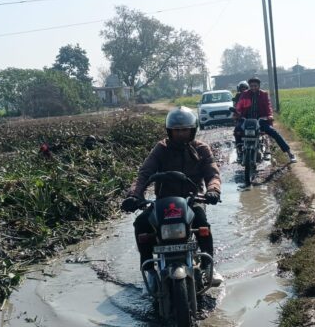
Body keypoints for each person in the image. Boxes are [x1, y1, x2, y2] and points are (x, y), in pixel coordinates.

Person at [121, 106, 224, 288]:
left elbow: (212, 173)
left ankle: (208, 266)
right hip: (164, 202)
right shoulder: (161, 148)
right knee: (141, 224)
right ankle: (149, 270)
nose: (181, 134)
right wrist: (134, 196)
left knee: (202, 223)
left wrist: (213, 190)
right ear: (170, 131)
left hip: (193, 200)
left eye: (185, 130)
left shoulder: (201, 149)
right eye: (177, 131)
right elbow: (144, 174)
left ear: (192, 130)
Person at [233, 77, 297, 163]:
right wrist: (237, 113)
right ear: (249, 86)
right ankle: (240, 151)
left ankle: (290, 154)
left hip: (260, 120)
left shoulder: (264, 94)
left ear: (259, 86)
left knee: (274, 133)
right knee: (237, 130)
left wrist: (270, 115)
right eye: (251, 86)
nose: (253, 88)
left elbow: (268, 106)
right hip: (246, 120)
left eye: (255, 86)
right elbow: (239, 106)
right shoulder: (244, 94)